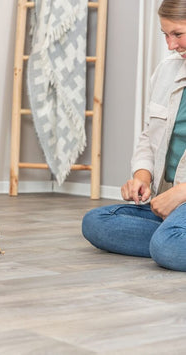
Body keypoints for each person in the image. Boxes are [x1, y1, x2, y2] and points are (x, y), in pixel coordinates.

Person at [82, 0, 186, 271]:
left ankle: (171, 239)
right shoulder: (166, 71)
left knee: (168, 247)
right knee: (95, 222)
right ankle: (172, 235)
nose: (170, 45)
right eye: (165, 35)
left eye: (178, 34)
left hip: (180, 199)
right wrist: (142, 177)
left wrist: (181, 194)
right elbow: (148, 136)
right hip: (169, 202)